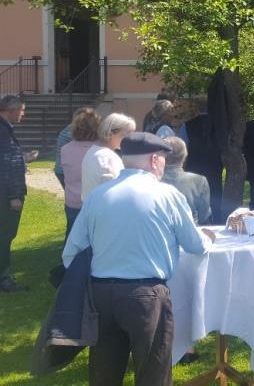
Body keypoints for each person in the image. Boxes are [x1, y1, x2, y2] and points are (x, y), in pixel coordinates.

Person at [63, 132, 214, 385]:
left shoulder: (98, 195)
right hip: (146, 295)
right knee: (153, 374)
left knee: (104, 374)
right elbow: (195, 245)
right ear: (155, 160)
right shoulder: (167, 194)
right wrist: (209, 239)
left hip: (101, 293)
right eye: (163, 158)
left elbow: (71, 252)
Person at [0, 95, 38, 292]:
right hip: (5, 195)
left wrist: (23, 158)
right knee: (4, 235)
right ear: (11, 110)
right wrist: (14, 196)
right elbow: (6, 166)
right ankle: (3, 279)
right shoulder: (3, 131)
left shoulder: (5, 129)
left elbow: (9, 159)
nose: (23, 113)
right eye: (21, 110)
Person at [59, 107, 101, 240]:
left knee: (72, 237)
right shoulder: (102, 151)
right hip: (96, 202)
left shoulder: (65, 149)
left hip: (73, 201)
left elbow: (62, 172)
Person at [183, 97, 225, 222]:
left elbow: (184, 146)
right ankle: (217, 220)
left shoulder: (187, 125)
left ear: (196, 108)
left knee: (195, 196)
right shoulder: (219, 125)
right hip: (214, 164)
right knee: (215, 194)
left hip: (194, 165)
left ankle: (196, 221)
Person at [81, 113, 136, 199]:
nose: (130, 139)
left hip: (90, 204)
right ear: (110, 134)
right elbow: (117, 190)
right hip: (103, 205)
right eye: (126, 135)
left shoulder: (92, 151)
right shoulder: (108, 157)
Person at [160, 137, 212, 225]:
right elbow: (203, 216)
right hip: (191, 229)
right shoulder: (199, 181)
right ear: (184, 156)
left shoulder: (149, 180)